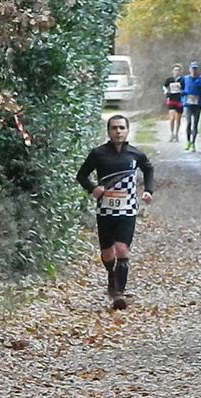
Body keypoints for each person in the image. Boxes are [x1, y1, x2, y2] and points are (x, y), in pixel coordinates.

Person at [76, 115, 154, 310]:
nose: (118, 131)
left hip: (127, 209)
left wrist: (148, 190)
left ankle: (119, 293)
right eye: (114, 128)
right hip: (105, 210)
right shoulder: (98, 154)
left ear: (127, 131)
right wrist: (93, 188)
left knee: (122, 249)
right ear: (108, 131)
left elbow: (148, 169)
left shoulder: (135, 154)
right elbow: (81, 175)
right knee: (108, 253)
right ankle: (111, 276)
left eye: (121, 128)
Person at [182, 61, 201, 152]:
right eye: (192, 69)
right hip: (188, 104)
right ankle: (188, 142)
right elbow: (180, 89)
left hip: (198, 104)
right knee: (189, 123)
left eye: (195, 69)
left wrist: (198, 93)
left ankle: (193, 143)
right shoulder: (185, 79)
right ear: (189, 69)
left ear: (197, 70)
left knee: (195, 124)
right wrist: (185, 94)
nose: (194, 71)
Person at [162, 64, 185, 142]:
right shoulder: (169, 79)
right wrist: (165, 91)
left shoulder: (183, 80)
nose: (176, 72)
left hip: (180, 100)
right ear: (172, 71)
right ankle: (171, 134)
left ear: (180, 72)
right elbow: (164, 86)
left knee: (178, 118)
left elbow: (185, 88)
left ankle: (177, 134)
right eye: (175, 70)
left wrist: (183, 91)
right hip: (171, 99)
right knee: (172, 118)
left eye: (178, 70)